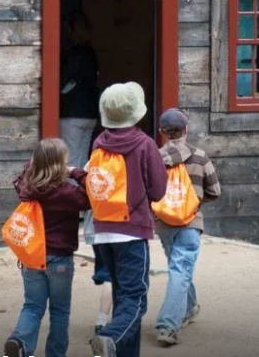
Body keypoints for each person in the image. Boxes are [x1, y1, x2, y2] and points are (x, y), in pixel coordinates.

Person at [89, 82, 168, 357]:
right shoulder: (145, 144)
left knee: (122, 298)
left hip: (103, 231)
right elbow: (158, 190)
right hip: (132, 231)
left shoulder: (99, 144)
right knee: (135, 300)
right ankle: (110, 338)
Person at [3, 138, 91, 357]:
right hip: (59, 258)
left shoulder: (27, 187)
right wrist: (75, 172)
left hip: (32, 257)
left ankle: (20, 342)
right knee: (59, 311)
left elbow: (22, 176)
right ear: (61, 163)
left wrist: (35, 165)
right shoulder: (67, 192)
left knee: (32, 306)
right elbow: (92, 194)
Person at [153, 109, 221, 347]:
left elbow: (148, 190)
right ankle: (168, 325)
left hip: (164, 223)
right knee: (180, 269)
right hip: (191, 222)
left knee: (178, 268)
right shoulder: (200, 156)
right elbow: (215, 191)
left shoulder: (154, 158)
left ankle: (190, 307)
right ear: (186, 130)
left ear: (162, 132)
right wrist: (194, 201)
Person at [59, 10, 100, 168]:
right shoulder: (91, 53)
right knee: (82, 160)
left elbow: (66, 83)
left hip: (72, 114)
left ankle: (74, 185)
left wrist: (60, 93)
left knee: (69, 162)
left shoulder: (73, 54)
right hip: (90, 114)